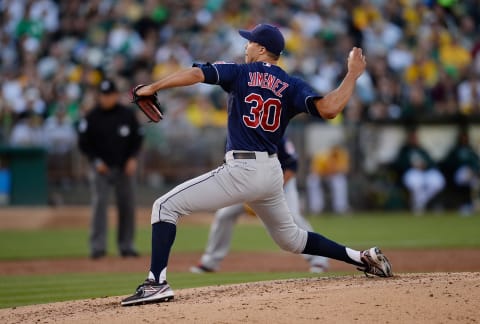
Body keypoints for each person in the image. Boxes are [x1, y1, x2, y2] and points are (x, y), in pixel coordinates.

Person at [121, 23, 392, 307]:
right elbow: (330, 108)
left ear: (261, 49)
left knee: (164, 207)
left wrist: (153, 87)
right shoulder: (291, 84)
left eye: (250, 42)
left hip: (242, 169)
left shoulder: (240, 72)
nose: (246, 46)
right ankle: (362, 258)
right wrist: (352, 74)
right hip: (271, 172)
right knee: (291, 239)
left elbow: (196, 73)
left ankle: (156, 283)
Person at [190, 137, 329, 274]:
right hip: (247, 183)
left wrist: (268, 194)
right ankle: (210, 262)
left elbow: (292, 166)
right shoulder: (234, 135)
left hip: (282, 182)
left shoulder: (274, 134)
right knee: (224, 215)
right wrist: (246, 197)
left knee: (293, 217)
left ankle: (319, 259)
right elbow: (229, 166)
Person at [78, 79, 144, 259]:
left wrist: (132, 159)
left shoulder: (127, 114)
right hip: (101, 168)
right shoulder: (91, 117)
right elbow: (84, 143)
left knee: (127, 206)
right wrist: (95, 161)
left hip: (124, 168)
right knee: (99, 205)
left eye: (109, 95)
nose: (106, 98)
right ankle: (97, 247)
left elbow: (138, 139)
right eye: (103, 95)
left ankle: (126, 245)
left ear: (116, 95)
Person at [392, 128, 445, 214]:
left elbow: (431, 162)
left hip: (425, 172)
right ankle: (419, 205)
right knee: (416, 182)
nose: (414, 140)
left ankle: (420, 202)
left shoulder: (422, 150)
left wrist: (425, 166)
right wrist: (412, 165)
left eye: (415, 138)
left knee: (437, 181)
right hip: (411, 172)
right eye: (412, 138)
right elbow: (399, 164)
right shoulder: (405, 150)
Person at [440, 128, 480, 215]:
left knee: (475, 183)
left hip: (472, 174)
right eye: (462, 138)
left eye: (465, 138)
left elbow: (476, 163)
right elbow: (448, 163)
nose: (464, 139)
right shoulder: (455, 150)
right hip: (458, 174)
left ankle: (472, 205)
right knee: (466, 176)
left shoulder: (471, 150)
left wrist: (474, 170)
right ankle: (466, 204)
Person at [306, 144, 350, 215]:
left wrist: (333, 169)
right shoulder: (322, 156)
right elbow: (315, 171)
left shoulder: (341, 155)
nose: (335, 153)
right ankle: (316, 208)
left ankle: (340, 208)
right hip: (322, 176)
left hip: (332, 177)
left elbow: (345, 170)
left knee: (340, 180)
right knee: (312, 180)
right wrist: (327, 172)